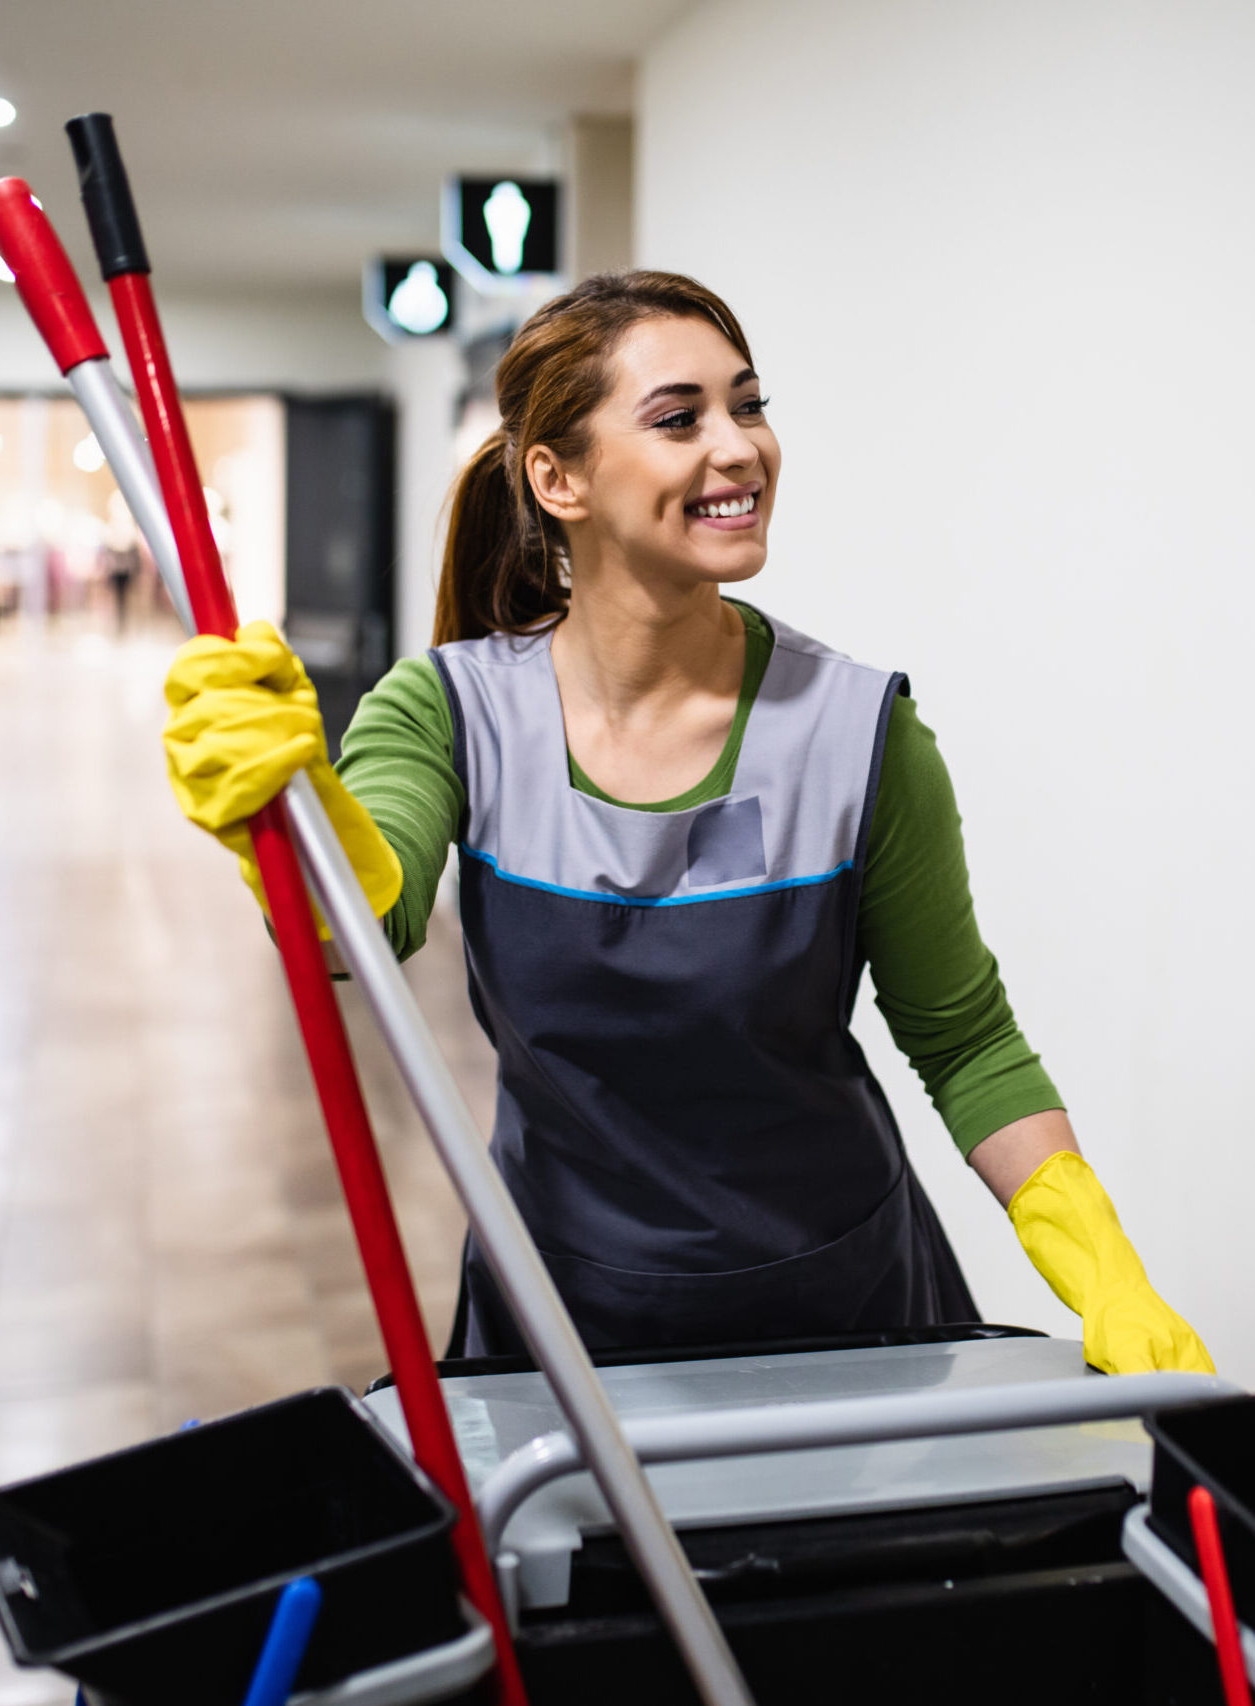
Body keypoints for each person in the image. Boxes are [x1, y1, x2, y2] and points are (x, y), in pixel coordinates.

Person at [162, 271, 1212, 1374]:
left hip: (846, 1314)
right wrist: (286, 812)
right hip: (565, 1322)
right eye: (679, 418)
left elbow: (965, 1041)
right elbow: (354, 932)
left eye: (748, 405)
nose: (740, 446)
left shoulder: (855, 730)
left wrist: (1107, 1274)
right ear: (554, 475)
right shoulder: (451, 710)